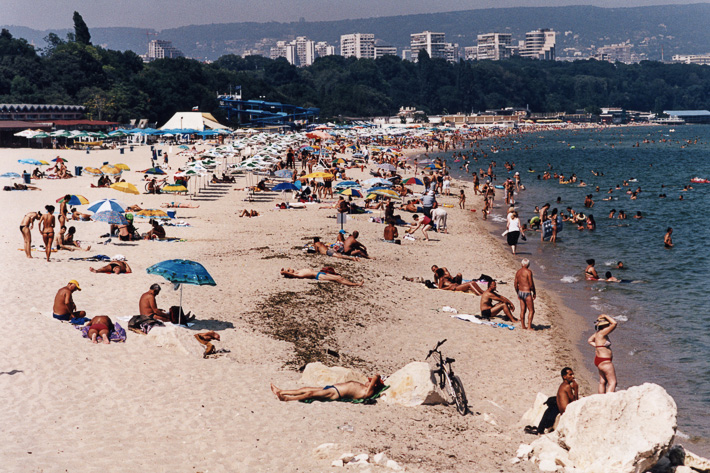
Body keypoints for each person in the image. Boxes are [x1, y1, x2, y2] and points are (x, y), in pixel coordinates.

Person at [528, 368, 579, 435]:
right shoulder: (567, 387)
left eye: (573, 374)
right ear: (564, 377)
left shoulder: (563, 385)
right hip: (566, 412)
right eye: (570, 374)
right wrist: (576, 389)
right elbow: (575, 402)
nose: (573, 376)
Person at [271, 374, 384, 402]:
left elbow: (376, 376)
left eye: (370, 382)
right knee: (306, 388)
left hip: (335, 393)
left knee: (310, 393)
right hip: (333, 388)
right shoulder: (363, 387)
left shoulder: (367, 392)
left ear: (374, 385)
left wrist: (377, 381)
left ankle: (286, 399)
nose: (367, 382)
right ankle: (280, 391)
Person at [587, 314, 618, 393]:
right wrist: (605, 315)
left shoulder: (598, 333)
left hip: (599, 360)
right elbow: (614, 323)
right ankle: (608, 400)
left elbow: (589, 340)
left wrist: (598, 346)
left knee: (603, 382)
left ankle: (600, 398)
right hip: (605, 361)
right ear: (605, 324)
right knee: (613, 382)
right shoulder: (603, 332)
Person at [280, 267, 364, 286]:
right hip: (318, 276)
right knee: (339, 279)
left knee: (338, 276)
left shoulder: (299, 271)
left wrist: (285, 271)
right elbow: (290, 274)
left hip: (320, 273)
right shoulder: (296, 275)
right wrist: (284, 272)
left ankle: (354, 283)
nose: (290, 269)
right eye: (288, 270)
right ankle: (356, 284)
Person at [514, 259, 536, 330]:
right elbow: (531, 284)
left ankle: (523, 326)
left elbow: (515, 284)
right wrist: (534, 292)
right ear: (528, 265)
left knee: (522, 310)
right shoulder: (528, 272)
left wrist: (518, 292)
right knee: (531, 310)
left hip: (520, 292)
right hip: (527, 292)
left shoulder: (518, 272)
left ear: (522, 264)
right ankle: (529, 326)